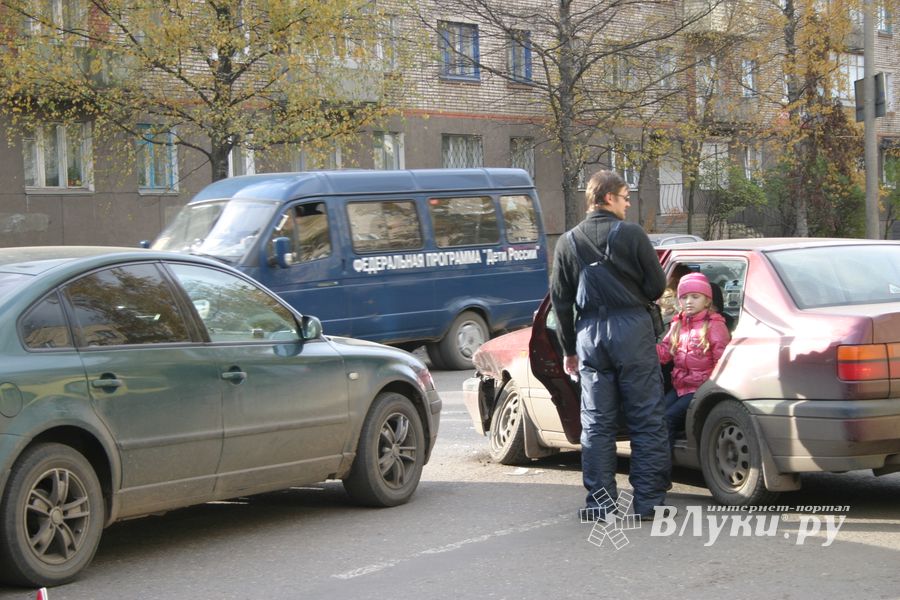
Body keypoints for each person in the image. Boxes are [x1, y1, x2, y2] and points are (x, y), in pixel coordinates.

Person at [550, 170, 669, 521]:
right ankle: (648, 503)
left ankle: (601, 505)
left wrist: (569, 349)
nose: (628, 202)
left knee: (597, 424)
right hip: (631, 331)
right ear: (606, 198)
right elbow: (656, 286)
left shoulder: (567, 242)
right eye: (624, 196)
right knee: (646, 418)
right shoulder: (631, 234)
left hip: (589, 336)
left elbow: (560, 302)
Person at [656, 272, 731, 449]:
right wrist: (642, 347)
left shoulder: (715, 325)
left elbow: (721, 362)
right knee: (656, 415)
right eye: (684, 297)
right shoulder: (677, 324)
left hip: (701, 388)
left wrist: (711, 388)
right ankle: (656, 459)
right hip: (681, 386)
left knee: (668, 418)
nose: (689, 301)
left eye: (695, 297)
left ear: (707, 301)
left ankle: (662, 466)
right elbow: (665, 353)